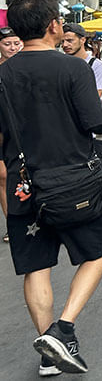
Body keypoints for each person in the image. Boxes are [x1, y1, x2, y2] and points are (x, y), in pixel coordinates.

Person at [0, 0, 102, 375]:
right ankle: (63, 327)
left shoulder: (2, 74)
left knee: (37, 267)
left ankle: (49, 351)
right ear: (53, 25)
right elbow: (96, 123)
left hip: (23, 185)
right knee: (96, 251)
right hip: (73, 184)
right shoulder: (73, 69)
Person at [62, 23, 102, 161]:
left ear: (82, 40)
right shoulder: (62, 65)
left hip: (93, 133)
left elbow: (93, 99)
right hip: (68, 133)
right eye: (62, 41)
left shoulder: (96, 66)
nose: (65, 45)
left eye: (70, 40)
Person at [0, 26, 22, 244]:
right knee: (3, 176)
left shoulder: (25, 69)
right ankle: (12, 223)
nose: (12, 48)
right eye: (7, 44)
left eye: (16, 43)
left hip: (24, 131)